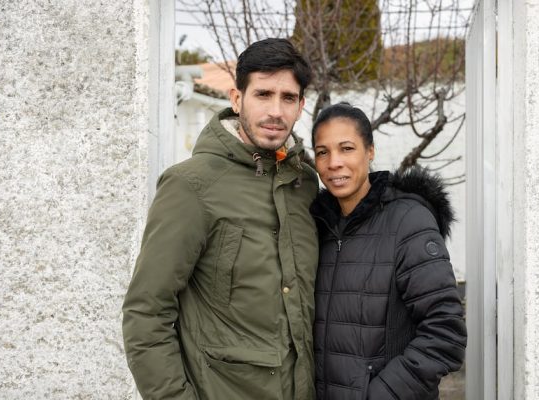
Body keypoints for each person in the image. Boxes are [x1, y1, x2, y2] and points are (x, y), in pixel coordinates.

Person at [122, 38, 319, 400]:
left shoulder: (304, 183)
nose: (276, 110)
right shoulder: (190, 185)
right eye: (263, 94)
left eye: (288, 98)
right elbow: (146, 312)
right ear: (237, 98)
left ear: (301, 105)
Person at [309, 103, 467, 399]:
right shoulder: (316, 228)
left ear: (370, 151)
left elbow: (445, 333)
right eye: (322, 152)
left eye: (346, 148)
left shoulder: (408, 221)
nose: (334, 163)